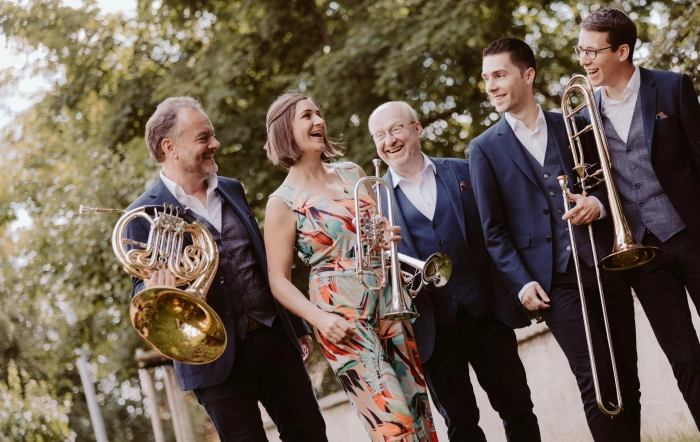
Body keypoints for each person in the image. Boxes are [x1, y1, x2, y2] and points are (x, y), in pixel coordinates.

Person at [575, 8, 700, 442]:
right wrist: (593, 203)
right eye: (580, 51)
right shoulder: (583, 116)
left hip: (695, 237)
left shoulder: (671, 87)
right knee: (685, 361)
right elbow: (599, 185)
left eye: (592, 51)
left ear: (622, 51)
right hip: (641, 253)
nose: (584, 60)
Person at [126, 97, 327, 441]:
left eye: (212, 135)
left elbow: (261, 260)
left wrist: (295, 324)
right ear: (170, 147)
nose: (215, 144)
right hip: (211, 359)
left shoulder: (232, 188)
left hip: (274, 336)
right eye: (203, 138)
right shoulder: (143, 214)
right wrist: (155, 290)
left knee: (311, 434)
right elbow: (139, 291)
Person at [468, 37, 637, 442]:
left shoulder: (573, 123)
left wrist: (597, 204)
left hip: (604, 260)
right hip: (553, 279)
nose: (491, 86)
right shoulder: (484, 149)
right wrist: (521, 282)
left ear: (527, 75)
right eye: (486, 78)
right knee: (595, 379)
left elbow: (608, 183)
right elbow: (494, 231)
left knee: (625, 375)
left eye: (499, 75)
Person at [262, 92, 437, 442]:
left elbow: (372, 234)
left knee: (418, 412)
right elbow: (277, 280)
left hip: (387, 298)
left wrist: (385, 237)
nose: (319, 121)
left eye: (318, 113)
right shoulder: (281, 202)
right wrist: (320, 320)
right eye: (307, 116)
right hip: (341, 318)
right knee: (395, 425)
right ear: (284, 130)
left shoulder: (352, 173)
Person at [368, 101, 540, 441]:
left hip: (488, 312)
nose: (390, 141)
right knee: (460, 424)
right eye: (380, 135)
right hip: (431, 328)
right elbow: (372, 273)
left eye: (396, 129)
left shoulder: (464, 171)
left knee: (517, 406)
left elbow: (500, 230)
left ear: (417, 128)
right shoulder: (372, 203)